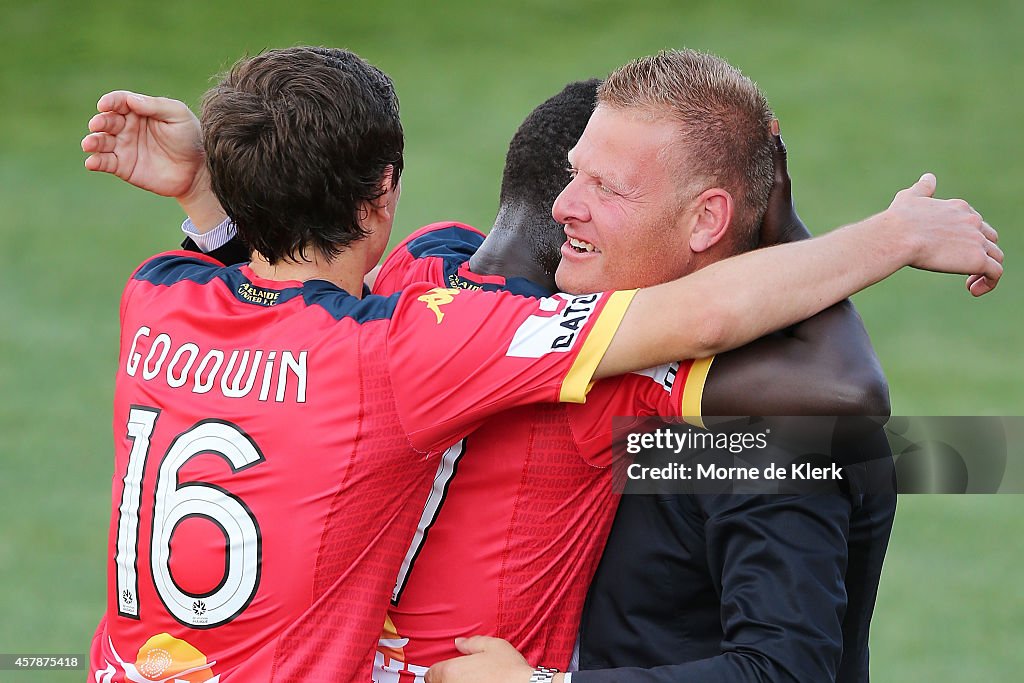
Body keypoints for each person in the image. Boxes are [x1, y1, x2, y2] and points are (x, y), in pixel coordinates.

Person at [81, 47, 1001, 683]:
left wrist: (216, 198)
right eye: (570, 178)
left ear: (707, 220)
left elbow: (787, 653)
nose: (568, 206)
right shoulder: (442, 331)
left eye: (605, 186)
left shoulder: (377, 292)